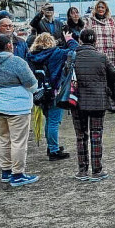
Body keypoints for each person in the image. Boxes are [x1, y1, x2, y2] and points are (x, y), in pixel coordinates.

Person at [0, 35, 40, 186]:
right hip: (17, 108)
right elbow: (32, 85)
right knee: (18, 142)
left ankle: (6, 171)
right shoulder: (16, 62)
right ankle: (18, 173)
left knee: (3, 139)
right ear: (9, 46)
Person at [71, 29, 115, 181]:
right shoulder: (101, 57)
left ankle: (82, 170)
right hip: (98, 101)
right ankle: (97, 170)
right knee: (96, 135)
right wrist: (113, 95)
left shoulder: (72, 57)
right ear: (95, 41)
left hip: (76, 101)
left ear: (80, 40)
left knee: (81, 136)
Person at [27, 31, 78, 160]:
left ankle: (51, 146)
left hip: (40, 92)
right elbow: (76, 50)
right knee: (54, 121)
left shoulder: (31, 56)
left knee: (49, 120)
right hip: (54, 91)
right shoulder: (56, 53)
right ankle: (54, 150)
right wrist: (69, 39)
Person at [85, 0, 115, 69]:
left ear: (106, 9)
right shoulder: (90, 21)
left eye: (102, 7)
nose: (100, 9)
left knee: (112, 75)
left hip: (111, 54)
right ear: (95, 9)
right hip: (96, 53)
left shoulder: (111, 21)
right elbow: (84, 37)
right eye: (99, 7)